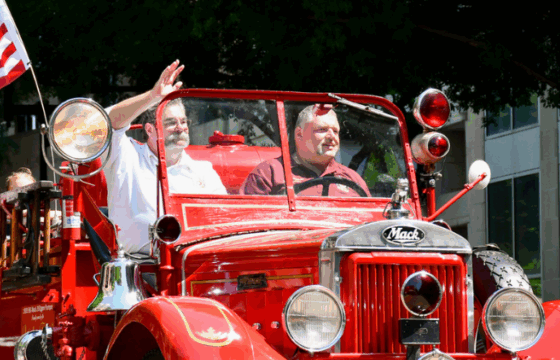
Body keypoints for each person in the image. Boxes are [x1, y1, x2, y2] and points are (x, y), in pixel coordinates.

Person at [103, 60, 227, 253]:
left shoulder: (204, 171)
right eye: (171, 122)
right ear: (150, 130)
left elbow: (224, 220)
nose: (180, 128)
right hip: (140, 266)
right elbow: (108, 124)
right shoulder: (127, 157)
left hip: (196, 262)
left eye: (183, 121)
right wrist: (153, 96)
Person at [242, 104, 371, 198]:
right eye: (322, 129)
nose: (332, 137)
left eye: (335, 131)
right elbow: (246, 223)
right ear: (299, 135)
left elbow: (371, 225)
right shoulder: (269, 173)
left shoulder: (353, 179)